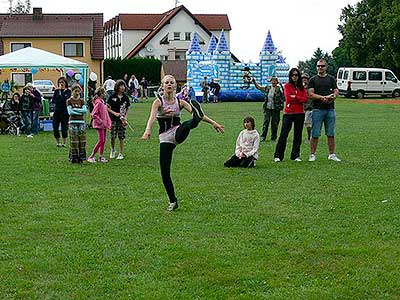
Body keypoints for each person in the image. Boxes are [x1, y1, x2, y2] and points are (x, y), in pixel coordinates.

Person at [141, 74, 224, 211]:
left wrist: (214, 123)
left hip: (178, 132)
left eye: (171, 83)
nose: (169, 84)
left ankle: (195, 119)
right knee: (165, 173)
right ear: (162, 86)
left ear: (175, 86)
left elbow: (203, 116)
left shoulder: (180, 102)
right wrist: (147, 130)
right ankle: (173, 202)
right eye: (166, 82)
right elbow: (151, 118)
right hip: (165, 138)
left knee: (187, 124)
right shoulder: (158, 102)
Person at [308, 58, 341, 162]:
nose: (320, 68)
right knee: (315, 134)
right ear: (316, 67)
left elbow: (336, 90)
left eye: (322, 66)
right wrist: (322, 98)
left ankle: (332, 154)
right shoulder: (313, 79)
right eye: (318, 66)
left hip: (330, 109)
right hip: (317, 109)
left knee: (330, 133)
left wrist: (333, 96)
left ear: (326, 67)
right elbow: (310, 93)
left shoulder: (331, 79)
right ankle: (312, 155)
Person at [273, 68, 308, 162]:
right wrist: (298, 98)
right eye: (293, 75)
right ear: (290, 76)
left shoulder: (302, 88)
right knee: (283, 134)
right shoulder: (287, 86)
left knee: (298, 135)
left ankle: (295, 156)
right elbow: (288, 98)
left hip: (300, 113)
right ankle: (278, 156)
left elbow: (305, 99)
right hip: (288, 113)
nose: (294, 77)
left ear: (299, 76)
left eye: (296, 75)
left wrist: (295, 97)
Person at [253, 77, 284, 142]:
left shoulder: (279, 89)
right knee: (266, 122)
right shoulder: (268, 88)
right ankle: (263, 136)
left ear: (277, 82)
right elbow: (259, 87)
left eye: (275, 81)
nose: (273, 82)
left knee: (274, 123)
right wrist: (254, 82)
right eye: (272, 81)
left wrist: (281, 85)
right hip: (267, 108)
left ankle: (273, 137)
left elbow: (284, 93)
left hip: (276, 108)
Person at [107, 79, 130, 160]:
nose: (122, 87)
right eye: (121, 86)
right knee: (112, 136)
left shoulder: (126, 97)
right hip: (113, 119)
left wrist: (125, 118)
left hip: (122, 120)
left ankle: (121, 153)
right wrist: (114, 113)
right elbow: (107, 108)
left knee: (121, 136)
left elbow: (127, 108)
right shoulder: (112, 96)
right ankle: (113, 150)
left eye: (123, 86)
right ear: (117, 87)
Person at [88, 87, 112, 163]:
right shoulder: (98, 103)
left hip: (104, 125)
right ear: (101, 94)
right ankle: (91, 156)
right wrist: (100, 121)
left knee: (103, 141)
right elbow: (93, 114)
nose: (105, 94)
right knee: (101, 140)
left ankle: (101, 156)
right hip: (100, 125)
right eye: (104, 93)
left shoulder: (102, 102)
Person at [67, 84, 87, 164]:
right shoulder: (69, 101)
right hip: (72, 122)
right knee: (74, 141)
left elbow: (85, 111)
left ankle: (81, 157)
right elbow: (70, 112)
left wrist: (75, 109)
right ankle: (74, 158)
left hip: (81, 122)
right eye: (76, 91)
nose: (77, 93)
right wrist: (79, 110)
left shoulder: (82, 101)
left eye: (79, 91)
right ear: (72, 91)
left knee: (82, 141)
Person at [51, 77, 71, 147]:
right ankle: (58, 142)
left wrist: (60, 96)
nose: (61, 84)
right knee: (55, 126)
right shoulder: (56, 91)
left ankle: (64, 142)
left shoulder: (68, 91)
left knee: (64, 127)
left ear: (65, 83)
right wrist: (59, 94)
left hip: (64, 111)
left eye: (62, 82)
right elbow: (53, 100)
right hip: (57, 111)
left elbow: (65, 100)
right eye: (60, 82)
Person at [302, 73, 312, 144]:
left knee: (307, 123)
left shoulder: (310, 88)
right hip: (301, 108)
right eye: (303, 78)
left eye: (305, 78)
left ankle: (309, 138)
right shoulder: (301, 88)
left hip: (309, 108)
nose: (304, 79)